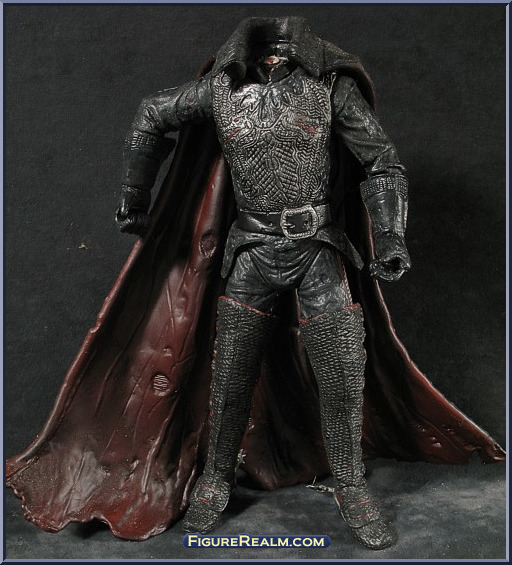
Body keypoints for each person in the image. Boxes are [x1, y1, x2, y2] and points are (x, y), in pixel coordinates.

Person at [116, 16, 410, 550]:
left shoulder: (329, 88)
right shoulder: (221, 90)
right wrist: (135, 196)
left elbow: (382, 161)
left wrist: (390, 236)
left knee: (343, 371)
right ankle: (216, 477)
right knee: (231, 373)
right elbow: (152, 114)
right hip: (251, 248)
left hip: (316, 247)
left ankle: (350, 482)